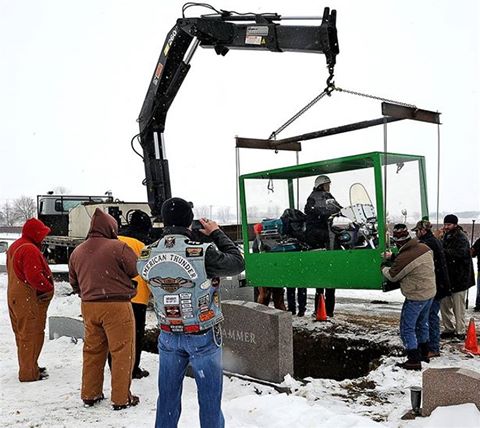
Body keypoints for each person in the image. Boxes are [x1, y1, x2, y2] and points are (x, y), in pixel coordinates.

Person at [137, 197, 244, 428]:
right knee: (209, 401)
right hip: (202, 333)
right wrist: (216, 232)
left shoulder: (146, 254)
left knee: (166, 398)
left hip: (168, 334)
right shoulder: (202, 252)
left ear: (164, 222)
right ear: (189, 222)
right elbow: (237, 262)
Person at [69, 208, 139, 410]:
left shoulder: (78, 251)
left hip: (89, 306)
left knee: (92, 351)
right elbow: (136, 270)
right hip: (117, 306)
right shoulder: (119, 247)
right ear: (110, 227)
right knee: (122, 351)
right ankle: (121, 398)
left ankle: (90, 394)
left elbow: (74, 283)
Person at [382, 224, 436, 370]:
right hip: (429, 293)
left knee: (407, 328)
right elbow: (410, 262)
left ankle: (413, 359)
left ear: (399, 242)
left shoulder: (406, 256)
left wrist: (384, 267)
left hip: (416, 296)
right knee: (422, 324)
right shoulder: (423, 247)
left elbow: (393, 276)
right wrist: (394, 257)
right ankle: (424, 353)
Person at [7, 218, 54, 382]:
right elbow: (34, 276)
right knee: (31, 334)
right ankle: (29, 373)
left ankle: (29, 365)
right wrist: (47, 287)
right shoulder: (29, 249)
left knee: (22, 334)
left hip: (14, 296)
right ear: (35, 234)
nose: (43, 237)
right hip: (27, 298)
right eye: (41, 234)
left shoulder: (16, 245)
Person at [117, 211, 153, 379]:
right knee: (135, 336)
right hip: (137, 297)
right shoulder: (142, 245)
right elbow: (148, 271)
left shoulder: (115, 240)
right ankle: (133, 368)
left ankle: (115, 365)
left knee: (117, 335)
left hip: (116, 296)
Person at [412, 220, 451, 358]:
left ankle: (433, 348)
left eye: (417, 231)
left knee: (430, 317)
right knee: (429, 316)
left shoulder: (427, 244)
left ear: (423, 231)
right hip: (439, 285)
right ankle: (430, 346)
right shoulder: (434, 241)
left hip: (435, 286)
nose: (416, 234)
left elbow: (414, 259)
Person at [304, 175, 341, 316]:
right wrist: (326, 213)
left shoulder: (327, 195)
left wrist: (343, 210)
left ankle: (328, 311)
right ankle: (321, 310)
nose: (329, 186)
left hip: (327, 237)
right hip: (318, 238)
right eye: (327, 184)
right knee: (323, 280)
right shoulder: (314, 197)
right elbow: (315, 210)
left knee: (329, 281)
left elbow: (336, 206)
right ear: (321, 185)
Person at [439, 214, 475, 340]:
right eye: (445, 224)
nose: (446, 227)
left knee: (458, 307)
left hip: (460, 278)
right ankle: (449, 328)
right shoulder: (445, 237)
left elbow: (460, 253)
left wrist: (442, 252)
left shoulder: (461, 237)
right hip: (448, 278)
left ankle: (460, 331)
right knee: (444, 304)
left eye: (448, 224)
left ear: (455, 224)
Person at [252, 222, 286, 310]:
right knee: (278, 300)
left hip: (263, 274)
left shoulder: (258, 242)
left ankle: (261, 317)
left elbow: (257, 259)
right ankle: (282, 319)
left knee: (262, 299)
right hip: (275, 273)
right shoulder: (273, 241)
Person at [471, 236, 480, 312]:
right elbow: (473, 254)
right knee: (479, 289)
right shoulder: (479, 242)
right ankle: (478, 304)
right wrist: (471, 250)